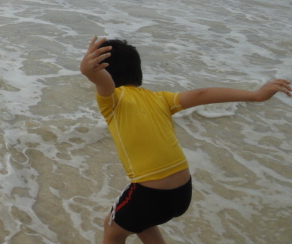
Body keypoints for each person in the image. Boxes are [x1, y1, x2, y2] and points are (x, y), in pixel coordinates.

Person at [80, 36, 291, 244]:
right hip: (182, 193)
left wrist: (89, 71)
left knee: (112, 230)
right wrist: (256, 95)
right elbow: (202, 94)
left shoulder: (113, 101)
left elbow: (105, 83)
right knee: (142, 222)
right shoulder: (161, 98)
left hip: (150, 193)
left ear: (106, 72)